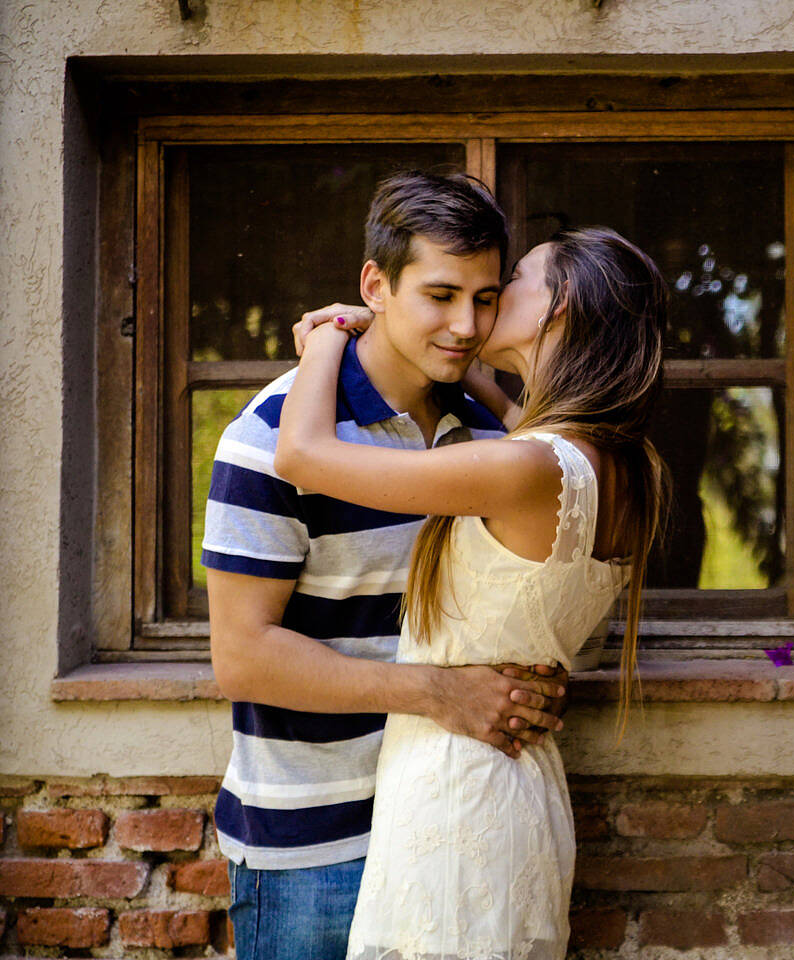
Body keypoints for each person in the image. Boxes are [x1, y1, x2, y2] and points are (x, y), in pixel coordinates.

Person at [203, 171, 573, 960]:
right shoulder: (270, 433)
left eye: (484, 298)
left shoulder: (492, 436)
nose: (466, 324)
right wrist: (442, 693)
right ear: (376, 284)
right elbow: (242, 657)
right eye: (440, 295)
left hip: (453, 829)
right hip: (317, 847)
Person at [276, 224, 669, 960]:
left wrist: (328, 334)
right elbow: (540, 437)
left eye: (510, 282)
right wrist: (482, 379)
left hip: (455, 798)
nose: (483, 308)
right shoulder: (625, 465)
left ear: (562, 304)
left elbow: (301, 455)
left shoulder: (521, 468)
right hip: (521, 791)